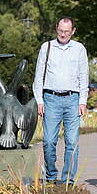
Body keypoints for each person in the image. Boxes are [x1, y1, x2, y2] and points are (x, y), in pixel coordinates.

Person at [32, 17, 89, 184]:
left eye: (66, 31)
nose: (63, 34)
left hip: (73, 99)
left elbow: (83, 76)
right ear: (56, 29)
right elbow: (38, 75)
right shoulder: (47, 47)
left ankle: (67, 181)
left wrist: (83, 101)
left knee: (72, 142)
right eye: (60, 31)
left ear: (73, 31)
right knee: (49, 141)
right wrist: (39, 101)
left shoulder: (79, 49)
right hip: (50, 99)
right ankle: (51, 176)